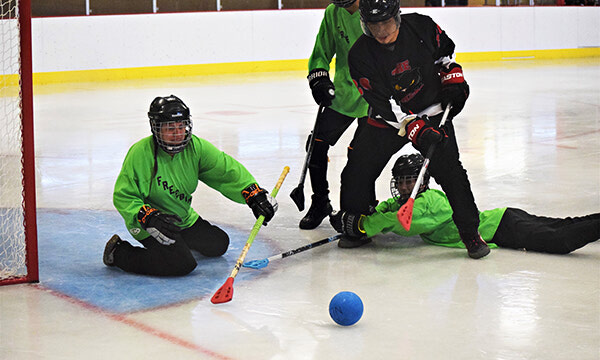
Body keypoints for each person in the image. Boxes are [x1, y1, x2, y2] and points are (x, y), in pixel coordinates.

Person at [340, 0, 490, 259]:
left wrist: (453, 79)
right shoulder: (360, 55)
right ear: (365, 24)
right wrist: (414, 128)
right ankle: (358, 224)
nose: (382, 32)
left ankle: (470, 233)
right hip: (388, 120)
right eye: (374, 25)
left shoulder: (422, 26)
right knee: (358, 167)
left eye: (386, 23)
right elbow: (383, 102)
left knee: (451, 171)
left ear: (397, 17)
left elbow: (444, 57)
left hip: (431, 110)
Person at [103, 95, 278, 276]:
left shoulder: (196, 148)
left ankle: (177, 243)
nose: (178, 134)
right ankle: (118, 252)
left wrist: (252, 193)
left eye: (181, 126)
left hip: (182, 218)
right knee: (181, 264)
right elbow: (124, 196)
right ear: (156, 128)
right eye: (170, 128)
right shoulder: (141, 153)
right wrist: (147, 216)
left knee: (218, 244)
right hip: (150, 222)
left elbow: (226, 170)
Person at [331, 153, 600, 254]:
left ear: (422, 181)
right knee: (562, 229)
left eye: (409, 181)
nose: (403, 187)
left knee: (562, 239)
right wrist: (363, 215)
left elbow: (399, 223)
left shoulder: (429, 202)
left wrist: (362, 226)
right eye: (400, 181)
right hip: (504, 223)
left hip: (502, 226)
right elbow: (388, 210)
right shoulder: (405, 200)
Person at [300, 0, 369, 230]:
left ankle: (359, 206)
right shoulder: (333, 13)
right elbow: (321, 52)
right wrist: (318, 78)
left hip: (375, 96)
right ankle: (320, 202)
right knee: (316, 145)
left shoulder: (375, 7)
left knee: (362, 153)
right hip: (345, 93)